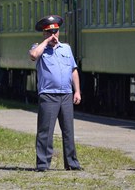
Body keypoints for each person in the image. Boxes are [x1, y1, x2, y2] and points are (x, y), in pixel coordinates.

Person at [29, 15, 82, 172]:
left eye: (56, 32)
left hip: (66, 94)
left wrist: (77, 91)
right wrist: (45, 43)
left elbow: (73, 70)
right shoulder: (39, 48)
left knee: (68, 131)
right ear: (44, 33)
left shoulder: (66, 48)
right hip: (48, 95)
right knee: (45, 132)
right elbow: (33, 56)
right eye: (50, 32)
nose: (54, 35)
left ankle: (72, 163)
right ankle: (43, 164)